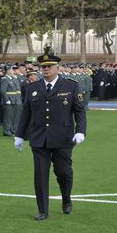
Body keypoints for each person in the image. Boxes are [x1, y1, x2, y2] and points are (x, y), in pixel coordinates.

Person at [15, 51, 87, 221]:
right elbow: (26, 113)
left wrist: (80, 131)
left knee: (63, 172)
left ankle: (66, 198)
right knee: (40, 175)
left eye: (49, 66)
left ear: (57, 68)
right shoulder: (33, 87)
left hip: (62, 138)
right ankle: (43, 210)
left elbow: (79, 111)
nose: (46, 69)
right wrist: (19, 135)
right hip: (39, 138)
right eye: (43, 67)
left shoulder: (70, 86)